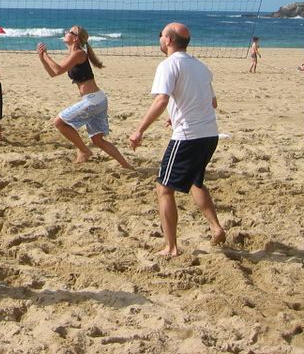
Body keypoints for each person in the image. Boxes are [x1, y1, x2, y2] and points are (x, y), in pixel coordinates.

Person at [128, 22, 226, 257]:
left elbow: (161, 100)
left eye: (160, 35)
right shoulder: (201, 67)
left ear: (169, 41)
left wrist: (139, 130)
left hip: (188, 136)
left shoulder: (168, 65)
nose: (159, 38)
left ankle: (171, 247)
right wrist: (178, 112)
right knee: (196, 182)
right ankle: (216, 228)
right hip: (210, 135)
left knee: (164, 188)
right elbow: (211, 102)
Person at [36, 26, 133, 168]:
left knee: (59, 122)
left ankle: (83, 150)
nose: (65, 33)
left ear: (75, 38)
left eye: (69, 32)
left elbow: (57, 69)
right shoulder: (73, 55)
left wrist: (46, 55)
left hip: (93, 100)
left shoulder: (79, 54)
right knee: (97, 140)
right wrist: (42, 58)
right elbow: (53, 73)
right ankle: (127, 166)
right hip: (97, 100)